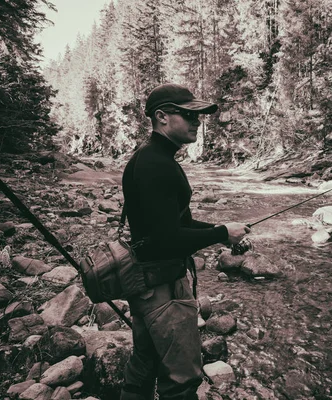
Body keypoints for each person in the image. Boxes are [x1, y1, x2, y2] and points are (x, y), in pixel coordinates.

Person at [120, 83, 250, 400]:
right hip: (163, 291)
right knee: (181, 380)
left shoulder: (150, 158)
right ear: (162, 117)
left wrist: (223, 230)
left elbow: (176, 224)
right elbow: (167, 239)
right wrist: (221, 234)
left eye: (199, 115)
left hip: (147, 285)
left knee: (145, 363)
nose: (197, 121)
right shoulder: (156, 165)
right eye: (189, 114)